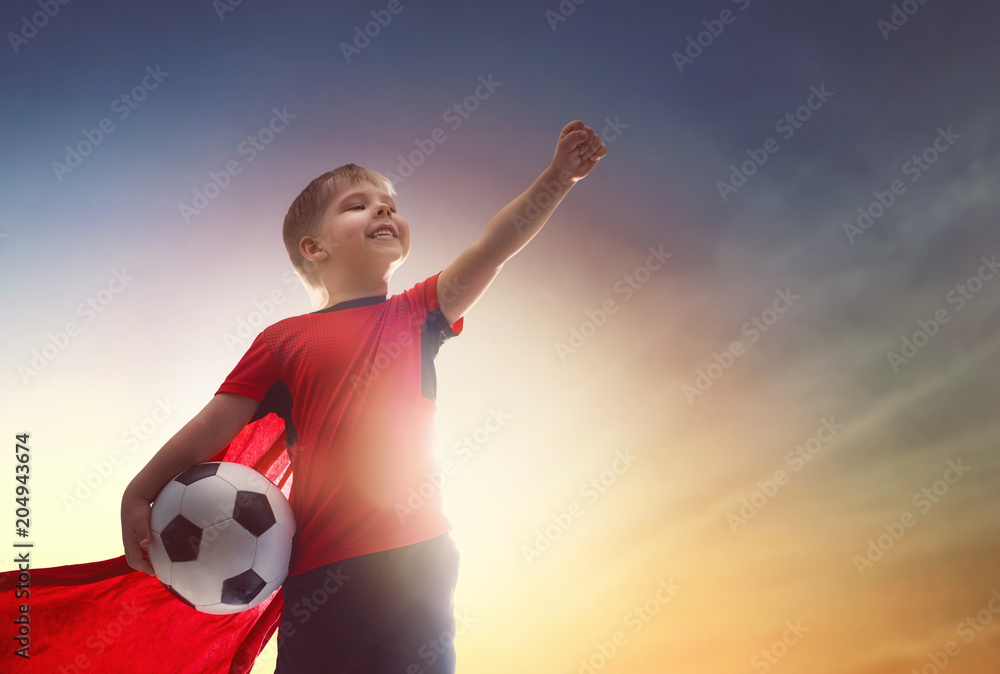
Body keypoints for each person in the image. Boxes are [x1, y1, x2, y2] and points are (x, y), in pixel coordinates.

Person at [120, 119, 607, 673]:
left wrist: (558, 178)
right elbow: (212, 427)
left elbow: (493, 248)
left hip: (419, 558)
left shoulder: (419, 311)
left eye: (389, 204)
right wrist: (139, 492)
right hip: (322, 572)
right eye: (357, 205)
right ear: (314, 247)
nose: (382, 211)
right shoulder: (283, 339)